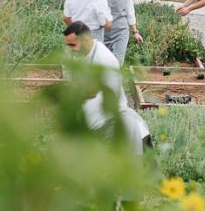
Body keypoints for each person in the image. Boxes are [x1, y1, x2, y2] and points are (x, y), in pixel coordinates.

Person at [63, 22, 151, 156]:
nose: (70, 50)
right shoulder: (82, 56)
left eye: (72, 45)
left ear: (86, 40)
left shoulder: (105, 60)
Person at [99, 0, 143, 66]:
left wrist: (135, 32)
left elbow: (130, 11)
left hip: (120, 31)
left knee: (117, 62)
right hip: (103, 32)